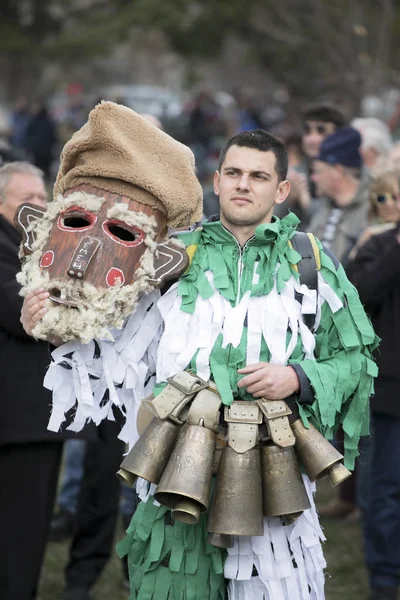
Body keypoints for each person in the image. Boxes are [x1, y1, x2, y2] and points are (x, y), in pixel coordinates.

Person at [21, 116, 377, 599]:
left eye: (258, 176)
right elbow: (111, 350)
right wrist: (52, 326)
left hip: (276, 483)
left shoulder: (311, 261)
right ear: (216, 181)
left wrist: (297, 376)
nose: (243, 186)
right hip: (172, 474)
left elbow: (356, 359)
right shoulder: (169, 257)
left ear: (282, 189)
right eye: (233, 173)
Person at [0, 161, 64, 600]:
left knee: (27, 533)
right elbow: (18, 311)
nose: (38, 206)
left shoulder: (42, 244)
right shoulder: (10, 250)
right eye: (26, 199)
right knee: (18, 537)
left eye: (43, 198)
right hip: (15, 419)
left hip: (31, 418)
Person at [347, 209, 400, 600]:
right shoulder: (378, 246)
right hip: (389, 396)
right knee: (383, 491)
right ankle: (384, 577)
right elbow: (358, 295)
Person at [309, 126, 370, 266]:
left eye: (318, 171)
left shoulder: (372, 209)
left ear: (337, 170)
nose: (314, 178)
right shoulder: (323, 208)